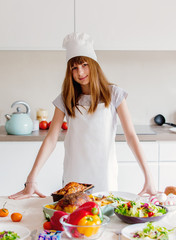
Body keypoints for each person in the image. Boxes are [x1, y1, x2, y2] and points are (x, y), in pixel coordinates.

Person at [9, 32, 156, 200]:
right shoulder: (66, 98)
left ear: (94, 64)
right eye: (74, 68)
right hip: (74, 174)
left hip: (104, 174)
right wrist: (31, 179)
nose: (80, 72)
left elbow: (131, 136)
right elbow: (50, 139)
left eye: (84, 65)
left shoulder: (114, 94)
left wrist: (148, 177)